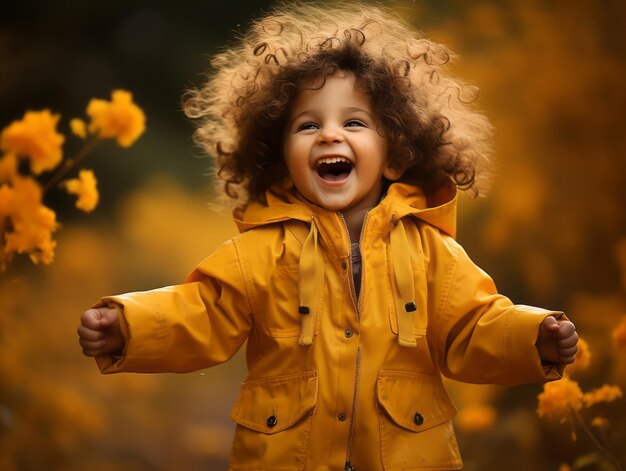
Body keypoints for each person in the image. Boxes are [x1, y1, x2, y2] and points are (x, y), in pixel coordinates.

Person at [77, 3, 578, 469]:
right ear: (279, 159)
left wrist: (534, 336)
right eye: (307, 125)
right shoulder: (261, 252)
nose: (329, 135)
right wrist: (129, 326)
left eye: (354, 122)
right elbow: (202, 311)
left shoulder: (430, 250)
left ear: (397, 152)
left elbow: (473, 327)